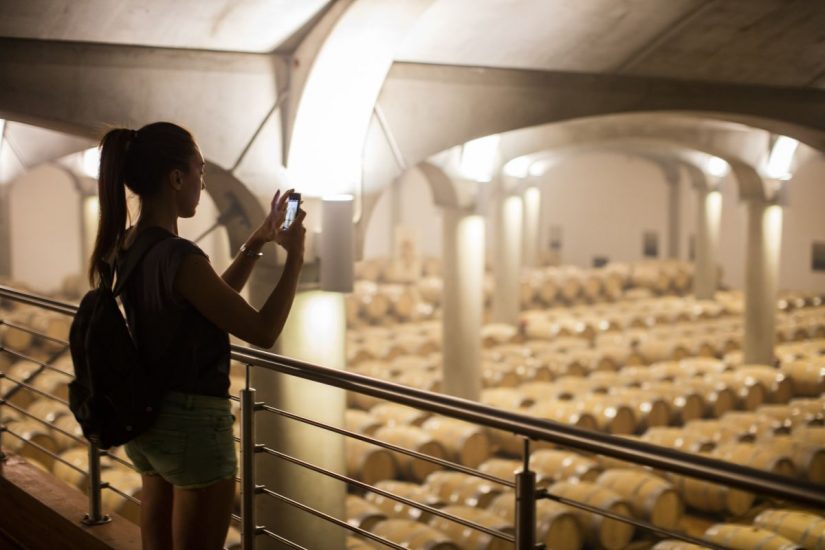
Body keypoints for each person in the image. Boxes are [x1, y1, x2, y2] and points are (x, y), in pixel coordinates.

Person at [88, 121, 306, 550]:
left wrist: (258, 240)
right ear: (175, 178)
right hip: (192, 425)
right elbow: (262, 331)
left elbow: (207, 303)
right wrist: (296, 259)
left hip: (150, 420)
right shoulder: (178, 255)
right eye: (200, 172)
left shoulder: (130, 244)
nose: (203, 184)